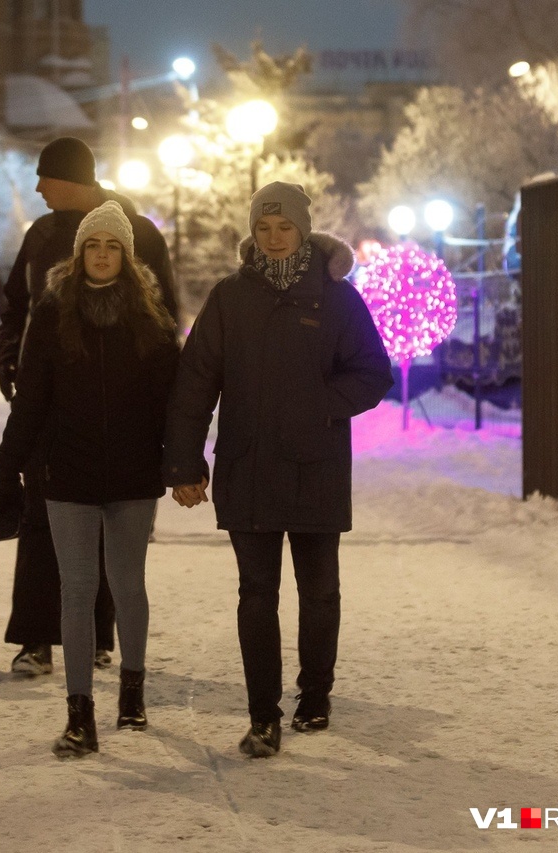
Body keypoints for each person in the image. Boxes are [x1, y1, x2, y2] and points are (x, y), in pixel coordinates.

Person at [162, 182, 393, 757]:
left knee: (318, 594)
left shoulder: (337, 299)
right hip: (249, 469)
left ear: (303, 229)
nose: (274, 237)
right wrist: (184, 462)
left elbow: (371, 373)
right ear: (254, 233)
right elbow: (194, 385)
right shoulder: (230, 298)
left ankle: (315, 695)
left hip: (314, 467)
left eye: (283, 227)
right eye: (264, 228)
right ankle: (263, 716)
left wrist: (319, 404)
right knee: (256, 596)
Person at [0, 136, 179, 677]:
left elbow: (163, 312)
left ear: (71, 178)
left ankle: (99, 636)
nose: (37, 187)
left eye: (44, 176)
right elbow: (16, 307)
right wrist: (11, 361)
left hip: (120, 410)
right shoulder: (43, 233)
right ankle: (35, 637)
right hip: (48, 401)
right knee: (40, 520)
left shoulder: (138, 233)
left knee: (110, 527)